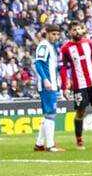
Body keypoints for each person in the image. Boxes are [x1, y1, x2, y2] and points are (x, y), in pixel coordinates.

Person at [59, 22, 92, 149]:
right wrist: (64, 86)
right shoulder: (66, 48)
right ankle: (79, 140)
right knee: (80, 112)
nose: (77, 31)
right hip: (79, 85)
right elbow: (64, 68)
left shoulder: (89, 43)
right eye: (74, 29)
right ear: (70, 32)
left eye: (79, 28)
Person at [34, 24, 65, 152]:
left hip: (52, 84)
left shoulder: (51, 47)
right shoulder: (44, 45)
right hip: (47, 85)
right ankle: (50, 145)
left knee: (48, 114)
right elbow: (38, 63)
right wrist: (45, 79)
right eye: (53, 34)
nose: (56, 37)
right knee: (51, 114)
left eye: (57, 34)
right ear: (47, 33)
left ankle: (39, 144)